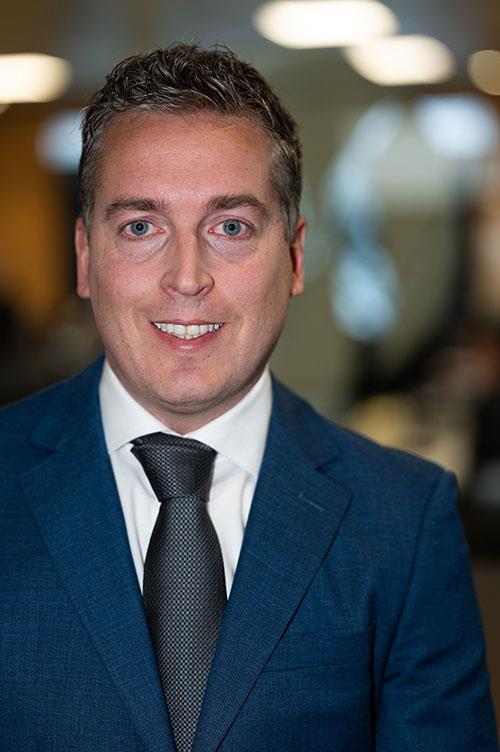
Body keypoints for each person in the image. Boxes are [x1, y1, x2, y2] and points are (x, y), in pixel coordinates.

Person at [0, 44, 497, 752]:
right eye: (141, 227)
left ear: (293, 257)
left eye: (229, 227)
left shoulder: (405, 522)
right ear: (85, 258)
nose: (187, 277)